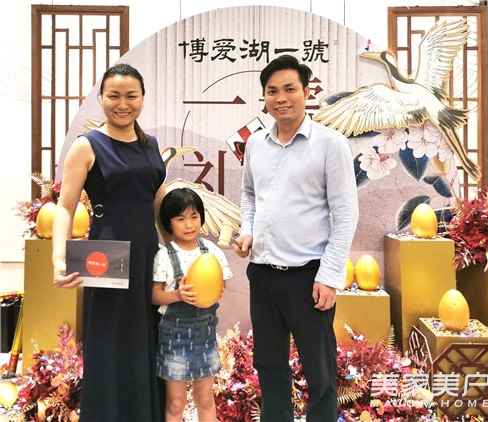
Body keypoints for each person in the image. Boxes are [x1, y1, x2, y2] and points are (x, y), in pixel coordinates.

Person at [233, 55, 359, 422]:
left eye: (289, 89)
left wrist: (329, 276)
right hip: (263, 274)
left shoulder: (330, 144)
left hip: (309, 277)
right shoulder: (256, 144)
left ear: (306, 92)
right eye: (272, 91)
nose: (281, 98)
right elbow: (249, 194)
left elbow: (345, 214)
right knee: (269, 365)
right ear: (265, 98)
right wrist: (248, 230)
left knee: (320, 371)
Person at [52, 63, 166, 422]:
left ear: (142, 98)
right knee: (109, 342)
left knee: (145, 339)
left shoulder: (151, 145)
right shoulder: (87, 145)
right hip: (106, 256)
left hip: (148, 254)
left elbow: (157, 201)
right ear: (101, 98)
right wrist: (59, 258)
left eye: (131, 96)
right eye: (114, 95)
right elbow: (65, 207)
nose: (123, 104)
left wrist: (178, 254)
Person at [153, 188, 233, 422]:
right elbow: (154, 296)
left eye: (194, 217)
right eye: (180, 219)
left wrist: (217, 289)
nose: (189, 225)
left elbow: (219, 284)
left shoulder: (212, 252)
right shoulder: (165, 255)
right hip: (174, 340)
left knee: (205, 398)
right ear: (169, 223)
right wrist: (177, 295)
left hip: (204, 338)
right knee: (176, 402)